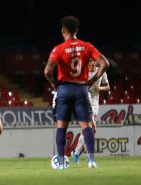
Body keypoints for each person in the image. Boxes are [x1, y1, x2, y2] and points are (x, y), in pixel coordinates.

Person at [44, 16, 109, 169]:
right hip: (81, 89)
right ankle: (91, 161)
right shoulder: (87, 46)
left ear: (63, 31)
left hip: (64, 90)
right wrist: (92, 81)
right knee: (86, 126)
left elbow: (47, 71)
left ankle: (60, 161)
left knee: (61, 127)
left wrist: (54, 84)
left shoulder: (58, 48)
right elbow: (105, 63)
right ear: (77, 30)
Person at [71, 58, 110, 163]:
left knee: (90, 130)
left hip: (95, 104)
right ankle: (89, 156)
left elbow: (108, 87)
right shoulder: (83, 74)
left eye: (93, 64)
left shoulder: (101, 72)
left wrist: (100, 88)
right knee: (91, 129)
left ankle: (76, 152)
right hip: (85, 102)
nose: (92, 65)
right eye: (90, 64)